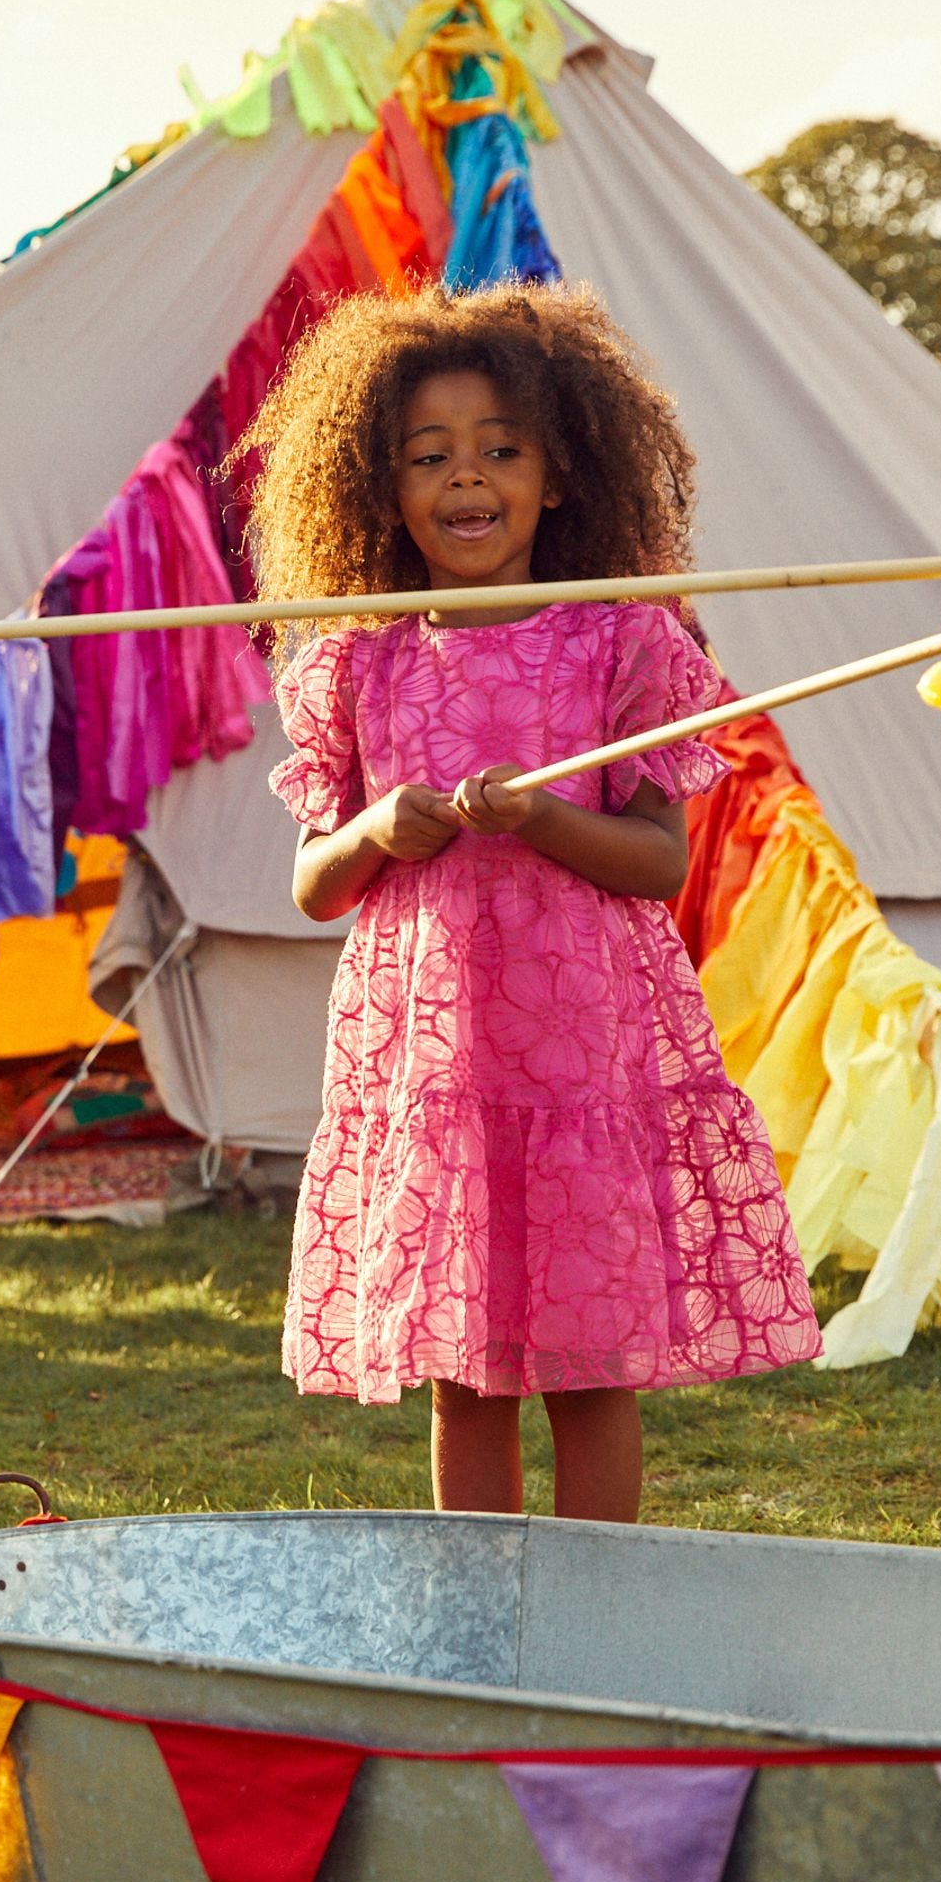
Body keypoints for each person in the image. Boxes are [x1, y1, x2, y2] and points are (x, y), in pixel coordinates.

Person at [249, 280, 821, 1523]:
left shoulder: (619, 643)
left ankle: (589, 1610)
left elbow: (659, 863)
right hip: (440, 1056)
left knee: (591, 1357)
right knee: (466, 1364)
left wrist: (549, 819)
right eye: (430, 456)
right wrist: (374, 831)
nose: (469, 479)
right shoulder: (360, 655)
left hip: (580, 1052)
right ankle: (483, 1614)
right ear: (380, 487)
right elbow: (312, 882)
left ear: (559, 478)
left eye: (502, 451)